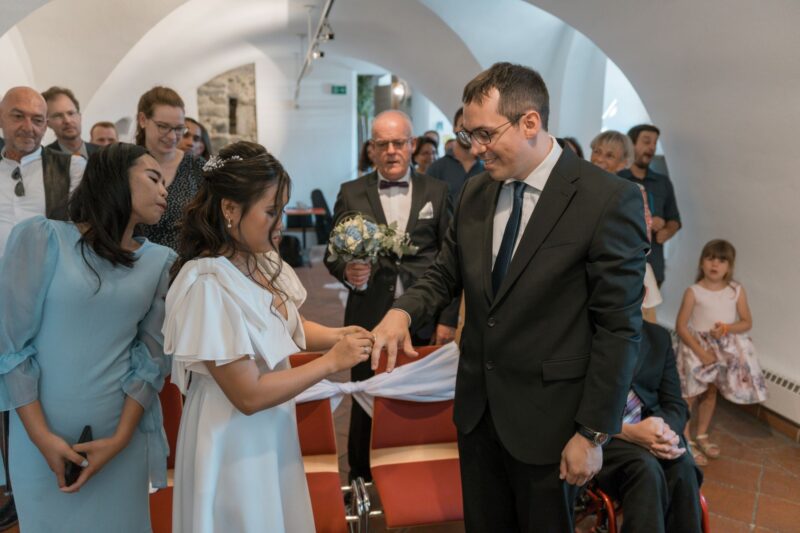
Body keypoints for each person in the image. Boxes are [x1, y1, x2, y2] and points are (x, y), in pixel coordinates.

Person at [371, 62, 648, 532]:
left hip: (552, 421)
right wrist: (402, 311)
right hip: (478, 413)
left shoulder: (605, 198)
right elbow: (445, 273)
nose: (475, 148)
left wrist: (592, 433)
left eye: (484, 134)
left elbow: (619, 328)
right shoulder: (476, 192)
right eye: (468, 135)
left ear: (530, 122)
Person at [164, 141, 373, 532]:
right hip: (232, 434)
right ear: (230, 209)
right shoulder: (207, 283)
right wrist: (331, 362)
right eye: (271, 211)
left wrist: (337, 335)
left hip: (271, 423)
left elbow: (286, 326)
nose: (280, 224)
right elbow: (247, 394)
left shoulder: (260, 259)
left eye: (282, 210)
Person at [0, 143, 175, 532]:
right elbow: (11, 348)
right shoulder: (42, 238)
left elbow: (150, 359)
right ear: (114, 178)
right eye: (153, 178)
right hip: (39, 439)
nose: (164, 190)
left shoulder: (159, 262)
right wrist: (42, 438)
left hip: (119, 442)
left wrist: (120, 439)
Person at [325, 110, 458, 484]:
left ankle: (417, 479)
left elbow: (452, 259)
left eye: (398, 143)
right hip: (368, 316)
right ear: (371, 149)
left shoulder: (437, 192)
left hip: (424, 316)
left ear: (412, 145)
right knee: (365, 400)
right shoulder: (351, 192)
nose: (391, 151)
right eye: (382, 144)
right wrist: (348, 271)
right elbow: (332, 254)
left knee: (420, 401)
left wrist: (448, 318)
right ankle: (360, 481)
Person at [594, 281, 704, 533]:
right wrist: (628, 432)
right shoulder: (588, 338)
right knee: (645, 469)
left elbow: (675, 403)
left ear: (643, 296)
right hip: (605, 435)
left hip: (652, 427)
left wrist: (663, 431)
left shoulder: (658, 338)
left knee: (682, 465)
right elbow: (573, 406)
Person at [675, 239, 766, 466]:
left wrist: (726, 328)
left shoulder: (735, 291)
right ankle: (685, 440)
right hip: (695, 349)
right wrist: (701, 352)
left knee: (710, 393)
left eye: (722, 260)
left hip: (721, 350)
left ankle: (701, 435)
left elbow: (746, 322)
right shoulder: (694, 292)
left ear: (729, 266)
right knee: (689, 395)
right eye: (710, 258)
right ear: (702, 262)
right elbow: (681, 326)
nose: (715, 264)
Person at [135, 86, 204, 250]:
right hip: (135, 260)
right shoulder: (127, 164)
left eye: (179, 128)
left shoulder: (197, 167)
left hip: (185, 261)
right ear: (143, 120)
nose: (172, 136)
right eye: (163, 126)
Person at [618, 124, 681, 287]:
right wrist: (648, 221)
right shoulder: (617, 179)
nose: (652, 147)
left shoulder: (663, 182)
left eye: (655, 143)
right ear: (631, 144)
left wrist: (667, 231)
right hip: (621, 265)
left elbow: (674, 219)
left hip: (654, 267)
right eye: (647, 141)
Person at [426, 107, 484, 204]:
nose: (468, 132)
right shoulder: (436, 169)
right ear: (454, 128)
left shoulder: (487, 167)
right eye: (463, 126)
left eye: (474, 127)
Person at [41, 86, 100, 159]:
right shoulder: (43, 159)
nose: (67, 121)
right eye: (58, 115)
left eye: (71, 113)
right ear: (48, 123)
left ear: (79, 116)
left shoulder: (102, 154)